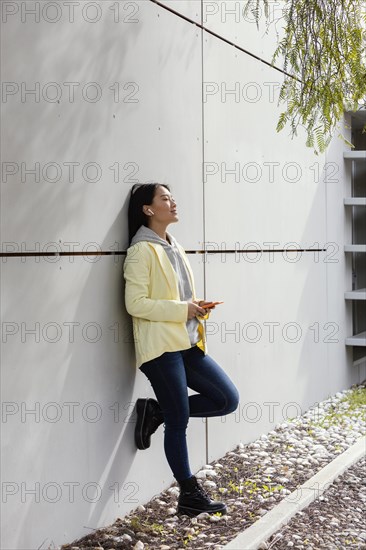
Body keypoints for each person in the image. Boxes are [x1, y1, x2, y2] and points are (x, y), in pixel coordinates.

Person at [123, 182, 240, 517]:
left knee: (226, 399)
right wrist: (181, 309)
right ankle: (189, 495)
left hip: (186, 342)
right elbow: (135, 303)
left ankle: (156, 412)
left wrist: (194, 307)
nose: (173, 202)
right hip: (161, 349)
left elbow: (174, 298)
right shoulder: (141, 251)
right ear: (148, 209)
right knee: (180, 420)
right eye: (165, 198)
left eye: (173, 197)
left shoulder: (173, 246)